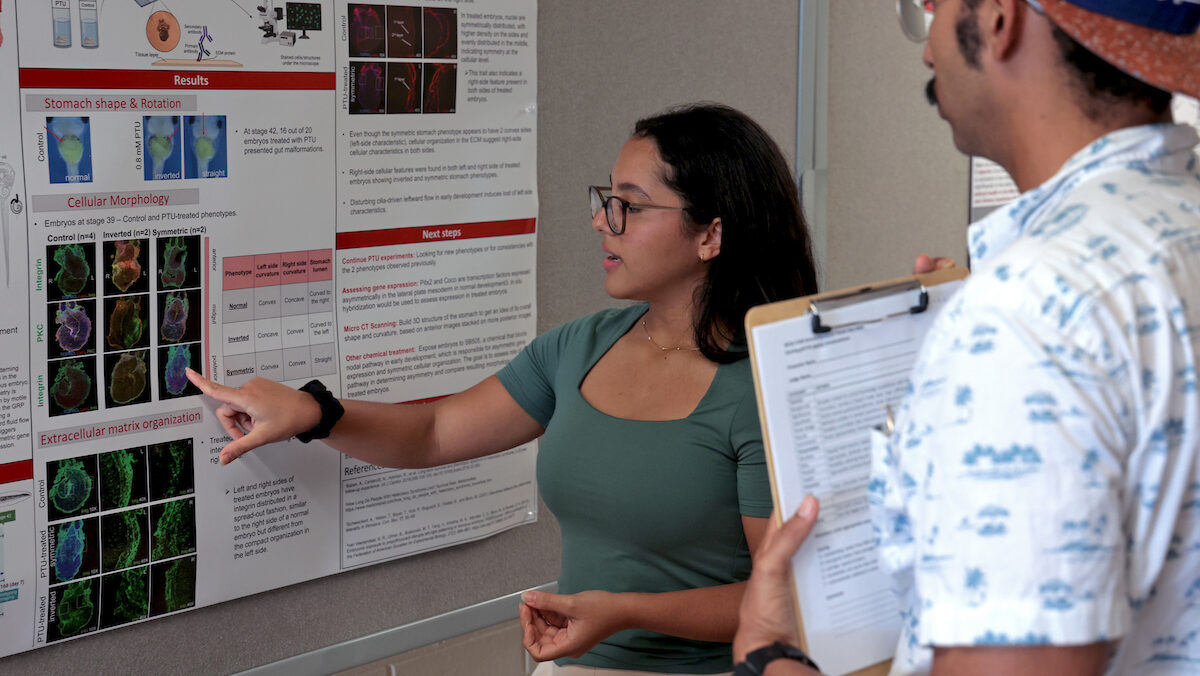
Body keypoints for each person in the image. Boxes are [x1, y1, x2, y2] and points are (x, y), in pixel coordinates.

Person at [187, 103, 819, 674]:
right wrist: (312, 411)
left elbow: (784, 595)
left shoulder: (763, 382)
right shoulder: (580, 346)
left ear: (710, 233)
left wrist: (627, 611)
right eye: (605, 197)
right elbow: (434, 433)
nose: (600, 219)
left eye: (630, 204)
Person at [731, 1, 1200, 675]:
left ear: (1002, 18)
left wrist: (770, 657)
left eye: (939, 8)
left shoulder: (1028, 311)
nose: (927, 53)